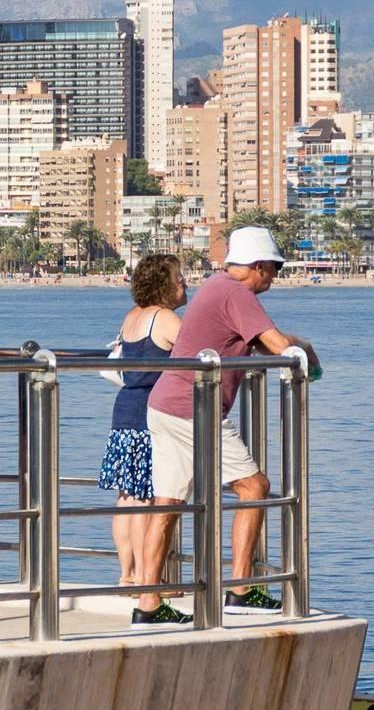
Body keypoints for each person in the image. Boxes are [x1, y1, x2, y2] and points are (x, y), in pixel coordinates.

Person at [132, 227, 316, 626]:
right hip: (193, 408)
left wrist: (293, 344)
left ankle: (147, 604)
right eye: (275, 268)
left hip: (165, 403)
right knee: (254, 487)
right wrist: (308, 355)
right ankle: (241, 589)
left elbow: (253, 341)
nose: (275, 276)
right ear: (258, 265)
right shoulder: (236, 292)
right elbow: (277, 344)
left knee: (168, 505)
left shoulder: (215, 287)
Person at [98, 254, 184, 587]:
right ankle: (146, 578)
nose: (184, 283)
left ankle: (127, 574)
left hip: (124, 410)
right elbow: (198, 351)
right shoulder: (165, 318)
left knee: (127, 497)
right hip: (149, 414)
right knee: (146, 497)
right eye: (178, 278)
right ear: (164, 284)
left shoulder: (132, 316)